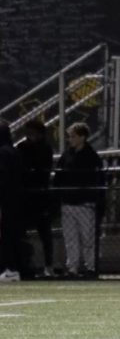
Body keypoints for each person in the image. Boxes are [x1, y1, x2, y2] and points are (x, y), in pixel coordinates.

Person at [53, 122, 104, 278]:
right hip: (68, 202)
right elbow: (59, 175)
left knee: (88, 238)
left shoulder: (91, 156)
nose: (70, 140)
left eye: (73, 136)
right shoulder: (67, 155)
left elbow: (98, 179)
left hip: (85, 203)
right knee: (71, 238)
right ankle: (72, 268)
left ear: (82, 137)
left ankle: (90, 267)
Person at [18, 118, 54, 277]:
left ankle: (48, 265)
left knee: (45, 234)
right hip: (26, 197)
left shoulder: (45, 148)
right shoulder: (22, 147)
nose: (30, 136)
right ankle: (25, 264)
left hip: (40, 197)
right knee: (21, 234)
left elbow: (42, 170)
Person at [0, 119, 25, 282]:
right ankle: (12, 268)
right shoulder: (13, 151)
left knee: (4, 235)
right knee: (10, 235)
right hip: (15, 200)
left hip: (4, 200)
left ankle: (8, 268)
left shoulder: (3, 152)